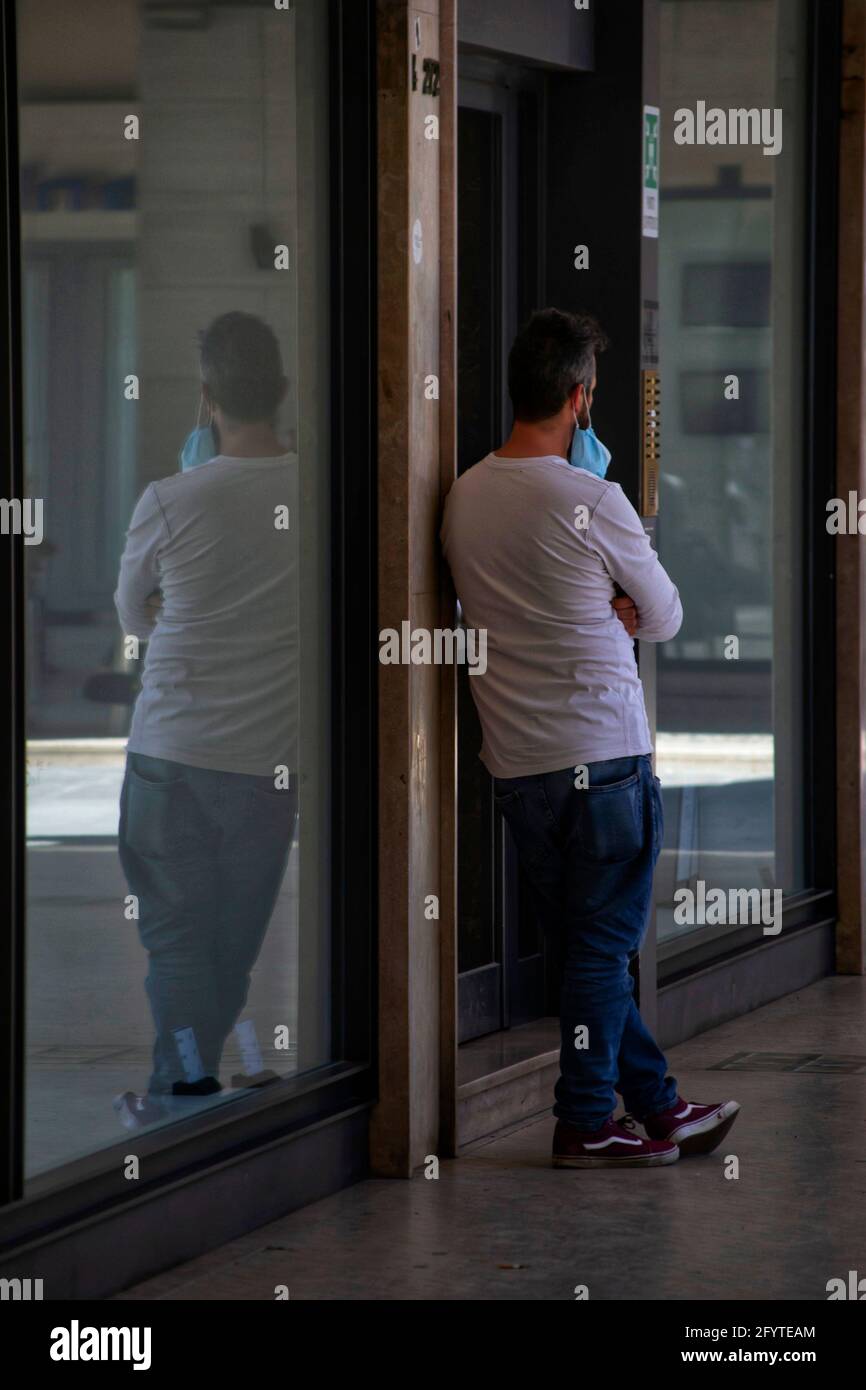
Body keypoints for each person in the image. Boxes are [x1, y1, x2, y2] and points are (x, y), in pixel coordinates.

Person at [441, 308, 740, 1168]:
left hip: (519, 764)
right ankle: (581, 1121)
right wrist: (619, 602)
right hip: (603, 757)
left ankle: (659, 1105)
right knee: (603, 950)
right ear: (580, 399)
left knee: (587, 952)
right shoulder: (593, 498)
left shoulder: (463, 493)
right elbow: (669, 613)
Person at [113, 311, 298, 1127]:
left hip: (169, 751)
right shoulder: (319, 495)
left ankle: (180, 1091)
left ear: (206, 399)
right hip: (265, 764)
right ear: (283, 393)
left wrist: (177, 615)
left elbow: (133, 611)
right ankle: (185, 1084)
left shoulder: (171, 497)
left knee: (177, 937)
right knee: (230, 940)